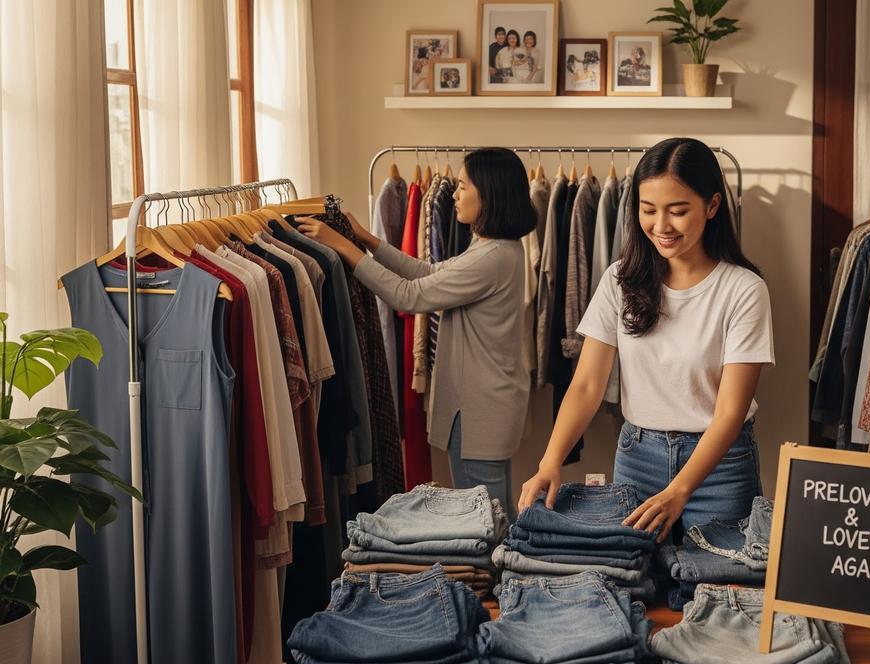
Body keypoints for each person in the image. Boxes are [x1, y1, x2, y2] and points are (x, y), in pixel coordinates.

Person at [518, 137, 773, 542]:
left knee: (720, 592)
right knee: (633, 585)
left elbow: (729, 412)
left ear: (711, 206)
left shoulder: (743, 290)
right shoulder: (620, 280)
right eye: (648, 210)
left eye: (678, 211)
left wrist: (679, 490)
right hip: (639, 459)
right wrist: (551, 461)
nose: (661, 226)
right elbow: (586, 385)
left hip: (719, 469)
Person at [297, 148, 536, 521]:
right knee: (491, 514)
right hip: (484, 407)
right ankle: (501, 578)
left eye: (462, 186)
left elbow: (409, 295)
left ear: (488, 194)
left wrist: (341, 246)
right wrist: (366, 239)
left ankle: (497, 580)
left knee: (484, 521)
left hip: (479, 411)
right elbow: (427, 273)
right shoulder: (494, 249)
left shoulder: (492, 258)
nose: (455, 195)